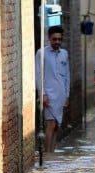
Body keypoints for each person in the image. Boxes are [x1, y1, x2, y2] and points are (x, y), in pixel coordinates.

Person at [35, 25, 70, 153]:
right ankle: (47, 155)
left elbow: (67, 76)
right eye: (54, 39)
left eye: (59, 39)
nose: (57, 42)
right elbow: (38, 75)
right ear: (49, 38)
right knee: (50, 125)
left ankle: (52, 154)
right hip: (48, 94)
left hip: (61, 95)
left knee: (56, 126)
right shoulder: (41, 53)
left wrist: (67, 95)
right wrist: (42, 93)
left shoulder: (64, 54)